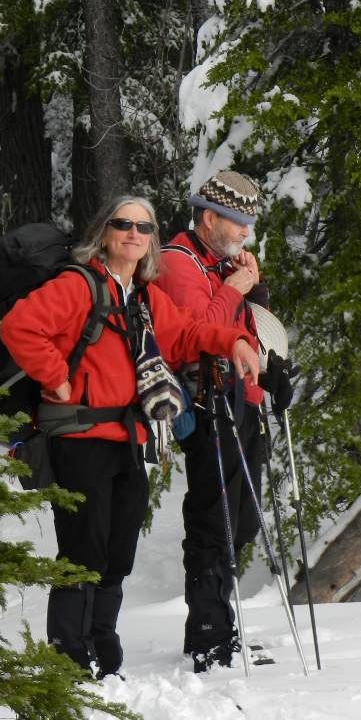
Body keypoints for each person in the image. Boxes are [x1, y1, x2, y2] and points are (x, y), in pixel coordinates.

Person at [0, 194, 259, 679]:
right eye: (123, 224)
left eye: (144, 228)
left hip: (127, 436)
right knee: (83, 550)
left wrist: (235, 340)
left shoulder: (141, 295)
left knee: (117, 552)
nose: (133, 234)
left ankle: (104, 654)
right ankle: (71, 664)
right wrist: (55, 376)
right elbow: (21, 327)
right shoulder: (78, 286)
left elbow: (184, 334)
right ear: (104, 232)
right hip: (78, 436)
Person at [156, 171, 278, 673]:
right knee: (215, 516)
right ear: (210, 217)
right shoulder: (176, 261)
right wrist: (235, 286)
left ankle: (216, 626)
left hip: (243, 399)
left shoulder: (222, 263)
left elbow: (248, 327)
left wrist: (254, 292)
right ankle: (208, 633)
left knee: (243, 519)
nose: (246, 233)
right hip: (208, 403)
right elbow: (199, 330)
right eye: (239, 223)